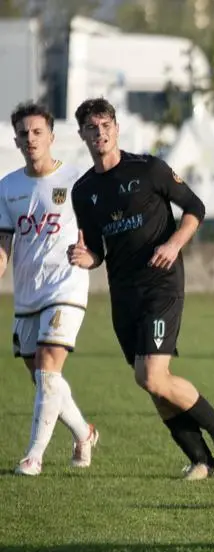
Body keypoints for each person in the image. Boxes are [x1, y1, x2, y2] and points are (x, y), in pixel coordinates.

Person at [66, 97, 214, 481]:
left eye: (106, 125)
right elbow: (97, 251)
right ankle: (201, 461)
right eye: (92, 128)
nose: (100, 133)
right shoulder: (84, 191)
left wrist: (174, 244)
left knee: (152, 376)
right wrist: (83, 255)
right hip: (123, 294)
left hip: (162, 285)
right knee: (151, 383)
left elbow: (196, 207)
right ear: (82, 135)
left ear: (116, 128)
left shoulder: (149, 169)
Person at [0, 101, 99, 476]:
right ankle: (84, 433)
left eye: (37, 132)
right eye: (24, 133)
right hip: (28, 293)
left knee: (47, 366)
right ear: (16, 140)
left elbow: (98, 226)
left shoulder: (75, 180)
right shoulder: (7, 187)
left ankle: (34, 456)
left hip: (66, 285)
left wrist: (92, 252)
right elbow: (3, 243)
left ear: (51, 137)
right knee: (42, 377)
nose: (31, 139)